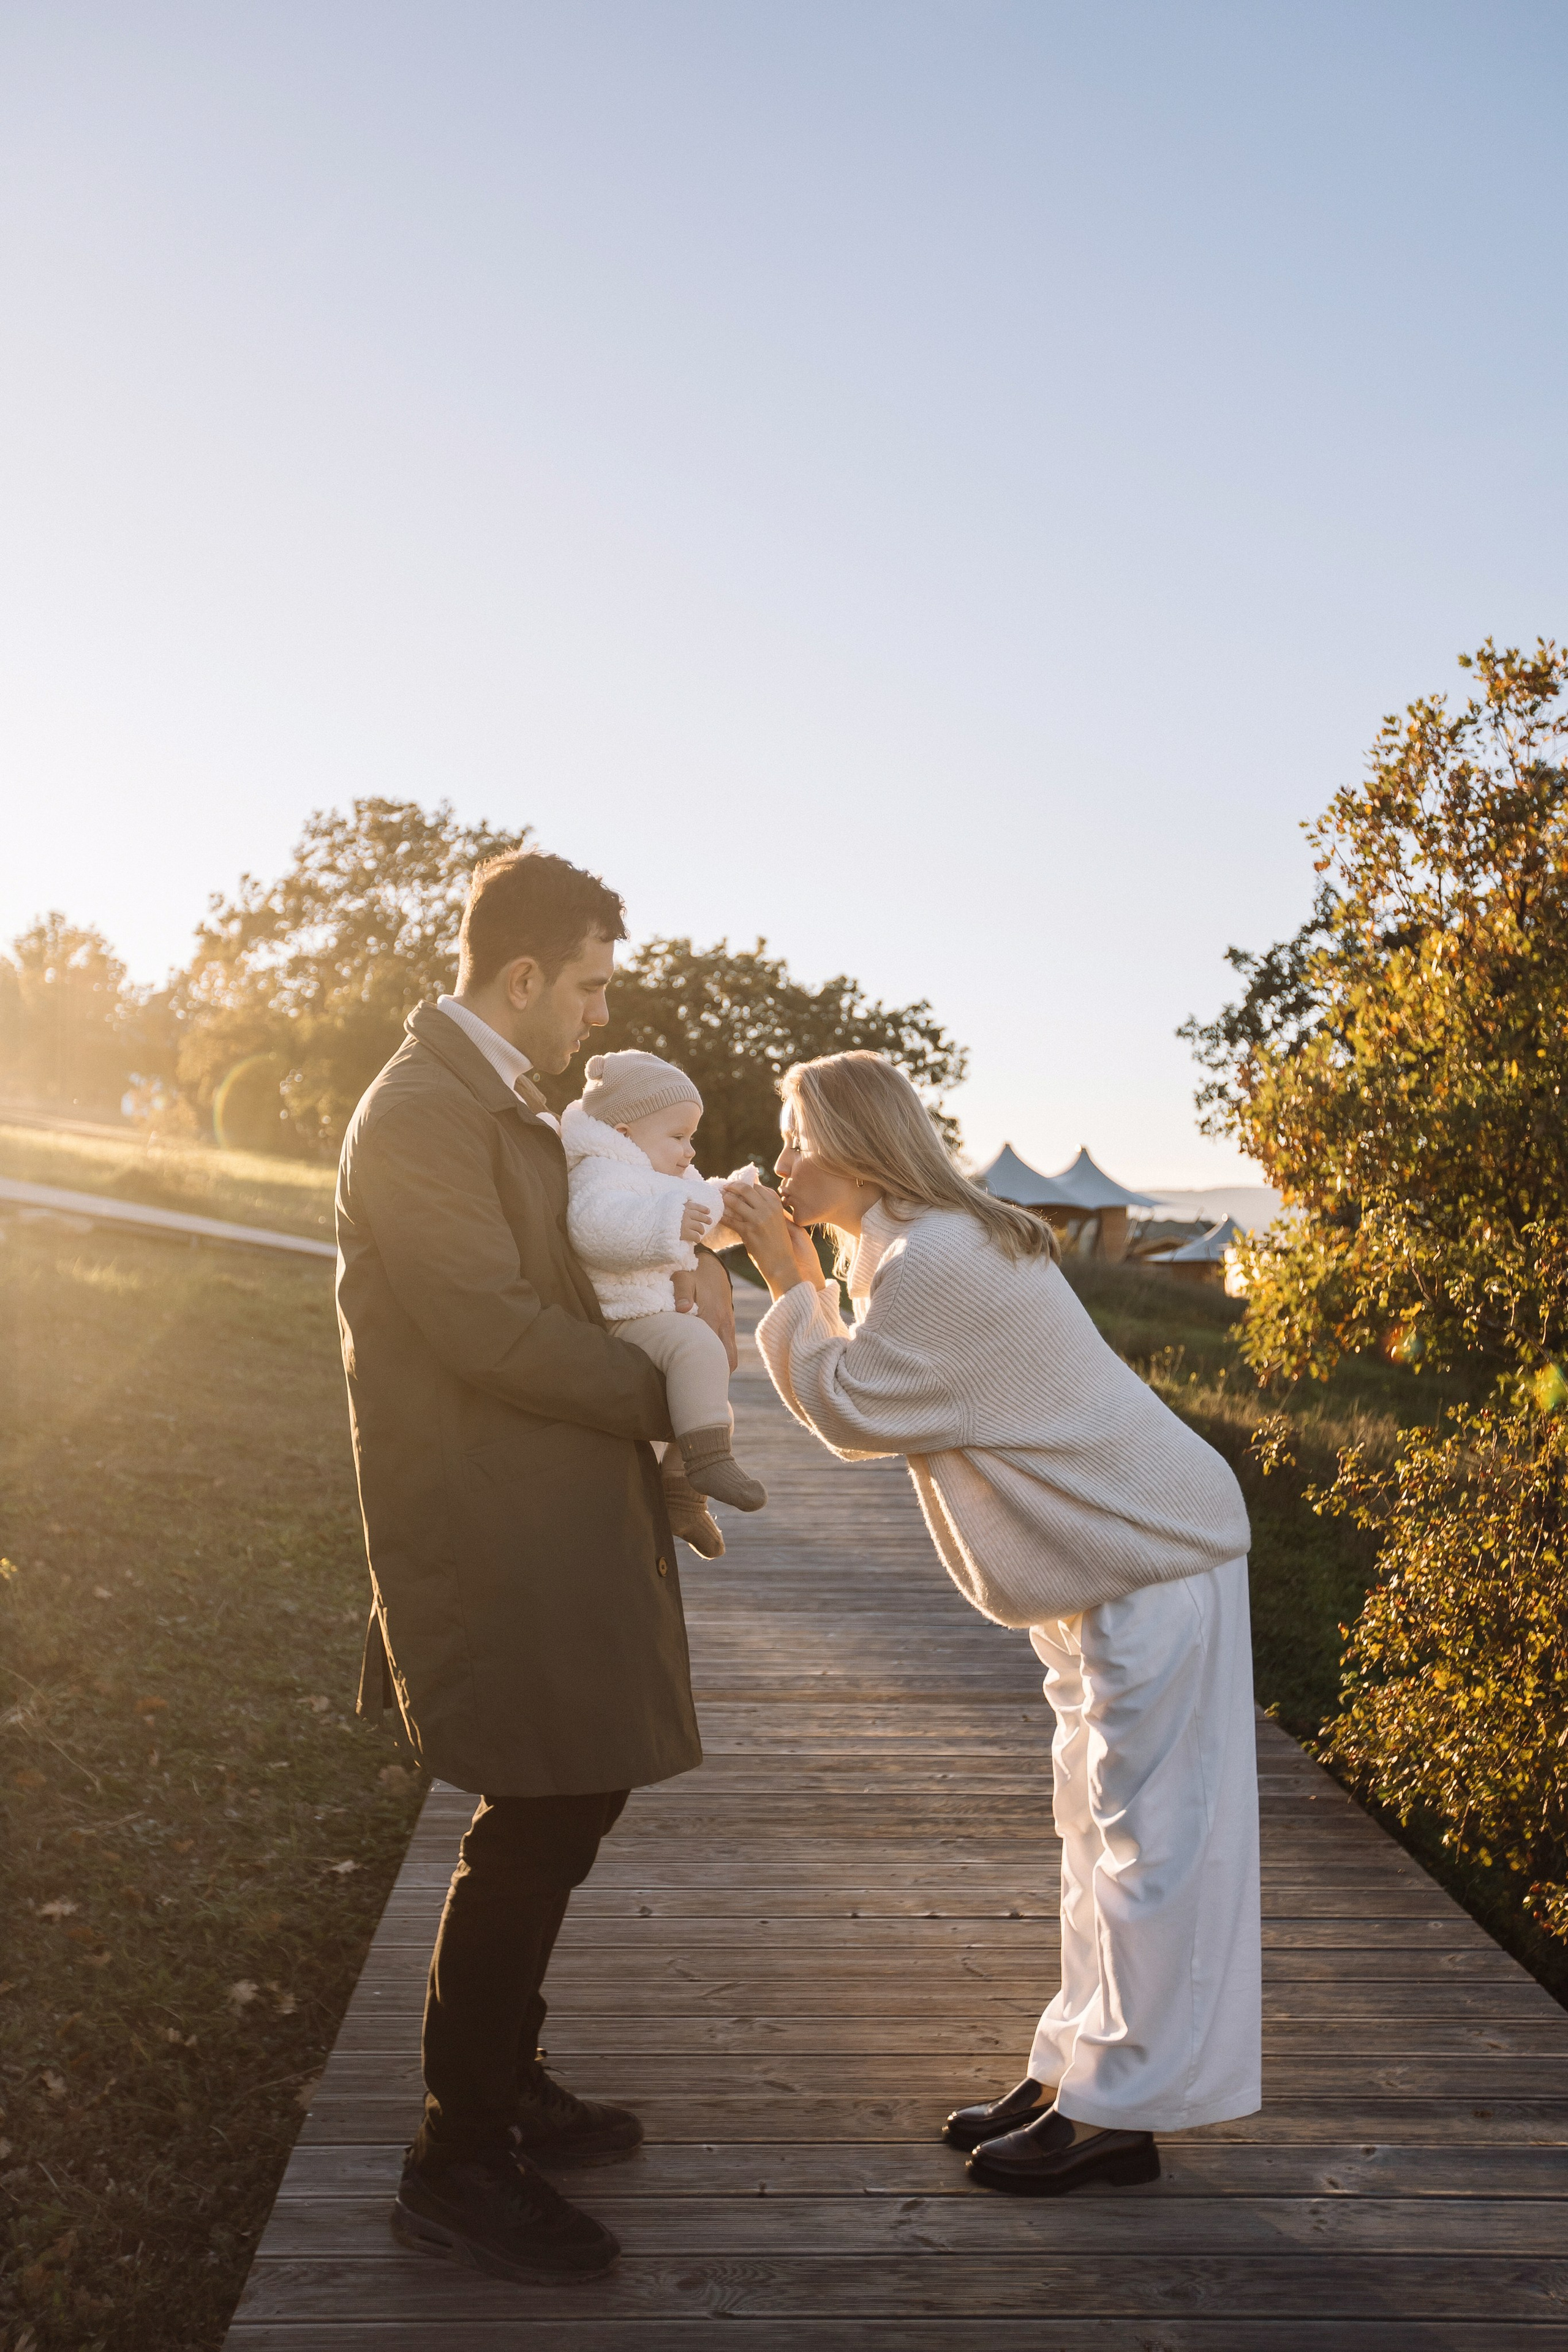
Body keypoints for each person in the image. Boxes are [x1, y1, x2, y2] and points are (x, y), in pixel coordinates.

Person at [720, 1050, 1260, 2200]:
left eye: (797, 1139)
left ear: (860, 1145)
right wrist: (802, 1268)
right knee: (1089, 1828)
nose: (781, 1161)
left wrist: (783, 1275)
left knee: (1144, 1843)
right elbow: (869, 1374)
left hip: (1152, 1550)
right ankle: (1076, 2069)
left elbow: (855, 1407)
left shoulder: (942, 1259)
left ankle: (1120, 2114)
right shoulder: (901, 1246)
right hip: (1101, 1561)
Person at [335, 848, 736, 2282]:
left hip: (551, 1502)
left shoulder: (497, 1103)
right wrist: (662, 1391)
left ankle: (507, 2082)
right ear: (521, 977)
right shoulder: (418, 1114)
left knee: (575, 1791)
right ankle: (455, 2157)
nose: (594, 1013)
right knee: (536, 1809)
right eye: (587, 984)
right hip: (484, 1518)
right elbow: (489, 1329)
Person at [562, 1047, 766, 1556]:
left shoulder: (661, 1174)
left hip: (653, 1310)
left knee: (709, 1396)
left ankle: (684, 1501)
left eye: (691, 1138)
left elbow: (698, 1214)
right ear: (627, 1134)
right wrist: (663, 1227)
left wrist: (733, 1202)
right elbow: (594, 1230)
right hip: (623, 1312)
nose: (690, 1151)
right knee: (699, 1352)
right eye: (678, 1137)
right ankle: (709, 1466)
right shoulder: (601, 1174)